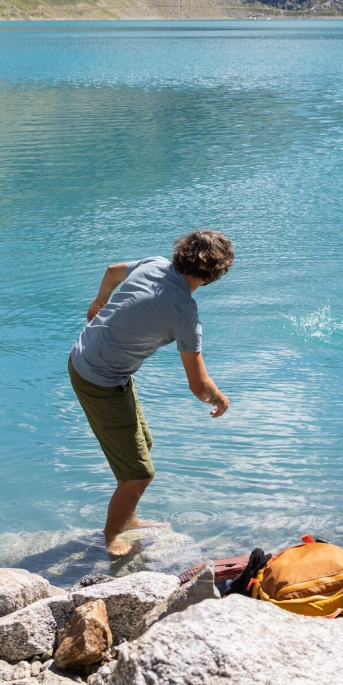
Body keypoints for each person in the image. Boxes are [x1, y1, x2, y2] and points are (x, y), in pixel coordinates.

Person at [68, 230, 233, 557]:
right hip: (99, 379)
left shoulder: (154, 264)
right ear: (214, 275)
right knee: (138, 475)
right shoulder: (185, 313)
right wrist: (220, 399)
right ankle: (111, 537)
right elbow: (199, 385)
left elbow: (112, 271)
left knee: (143, 445)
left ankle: (128, 519)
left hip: (90, 357)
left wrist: (99, 302)